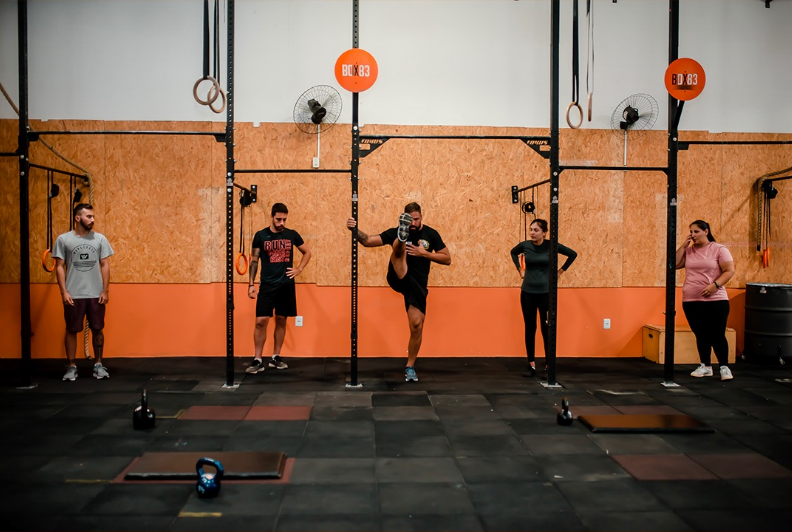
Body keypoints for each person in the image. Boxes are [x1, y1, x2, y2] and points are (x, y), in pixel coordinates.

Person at [346, 202, 451, 382]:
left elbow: (447, 259)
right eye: (409, 220)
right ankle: (402, 239)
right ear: (404, 218)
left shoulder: (431, 234)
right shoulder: (395, 231)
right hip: (398, 275)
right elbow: (368, 241)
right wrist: (354, 230)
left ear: (421, 217)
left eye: (416, 219)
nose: (413, 223)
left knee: (416, 325)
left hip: (417, 285)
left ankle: (410, 366)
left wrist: (424, 253)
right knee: (399, 251)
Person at [246, 203, 312, 374]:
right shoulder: (261, 236)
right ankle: (258, 359)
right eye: (278, 219)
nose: (282, 223)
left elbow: (307, 252)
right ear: (272, 217)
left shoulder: (291, 235)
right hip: (267, 285)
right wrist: (251, 284)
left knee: (281, 320)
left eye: (284, 220)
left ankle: (276, 357)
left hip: (286, 285)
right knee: (261, 321)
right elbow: (254, 261)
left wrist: (299, 269)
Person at [53, 204, 114, 381]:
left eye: (93, 216)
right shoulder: (63, 240)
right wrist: (64, 292)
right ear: (77, 218)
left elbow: (105, 265)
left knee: (98, 329)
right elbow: (59, 267)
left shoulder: (100, 239)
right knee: (71, 330)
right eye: (89, 216)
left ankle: (98, 364)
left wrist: (105, 290)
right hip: (74, 294)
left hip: (96, 294)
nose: (92, 219)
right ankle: (71, 366)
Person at [510, 218, 577, 377]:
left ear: (544, 233)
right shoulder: (525, 245)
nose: (532, 233)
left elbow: (572, 254)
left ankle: (548, 363)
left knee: (546, 328)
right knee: (530, 327)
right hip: (527, 292)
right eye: (531, 230)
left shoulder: (552, 245)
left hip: (546, 293)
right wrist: (520, 269)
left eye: (536, 230)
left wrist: (560, 272)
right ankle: (531, 364)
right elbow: (513, 252)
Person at [676, 219, 736, 381]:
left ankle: (724, 367)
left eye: (696, 231)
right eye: (691, 232)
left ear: (706, 232)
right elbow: (674, 264)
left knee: (717, 334)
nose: (693, 235)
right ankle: (705, 366)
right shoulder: (689, 251)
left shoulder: (719, 249)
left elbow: (729, 271)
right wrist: (684, 246)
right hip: (691, 300)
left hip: (716, 300)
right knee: (701, 334)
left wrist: (715, 285)